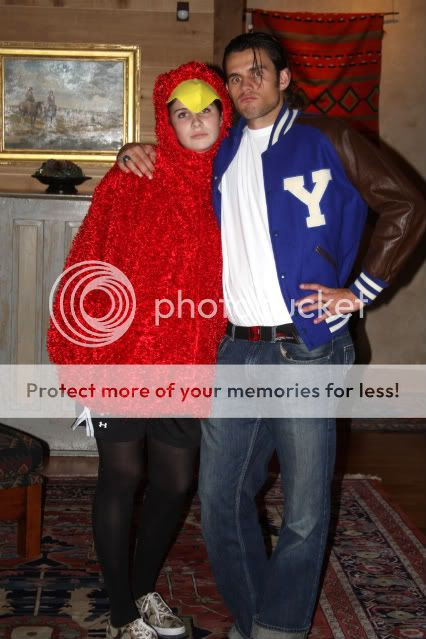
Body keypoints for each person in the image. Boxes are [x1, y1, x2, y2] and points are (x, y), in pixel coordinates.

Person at [116, 33, 425, 639]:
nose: (245, 84)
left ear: (284, 78)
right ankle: (257, 616)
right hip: (235, 348)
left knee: (305, 510)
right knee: (220, 500)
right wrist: (133, 150)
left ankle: (278, 628)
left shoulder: (328, 138)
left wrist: (358, 291)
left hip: (307, 347)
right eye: (234, 77)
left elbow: (407, 205)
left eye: (257, 71)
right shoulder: (222, 149)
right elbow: (176, 157)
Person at [47, 61, 232, 639]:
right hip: (120, 356)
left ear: (224, 114)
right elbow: (89, 257)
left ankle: (144, 588)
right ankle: (123, 614)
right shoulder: (133, 176)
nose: (195, 120)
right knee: (122, 474)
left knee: (175, 481)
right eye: (181, 112)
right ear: (164, 120)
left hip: (189, 357)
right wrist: (83, 348)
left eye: (206, 108)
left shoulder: (235, 180)